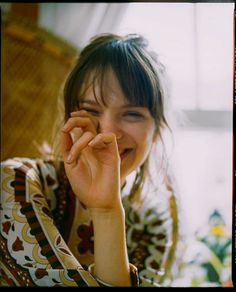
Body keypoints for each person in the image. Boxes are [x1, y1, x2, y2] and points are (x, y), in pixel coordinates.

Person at [0, 33, 184, 287]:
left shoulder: (151, 224)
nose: (108, 133)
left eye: (132, 114)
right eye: (90, 111)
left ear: (156, 132)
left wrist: (107, 210)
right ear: (67, 119)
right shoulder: (18, 184)